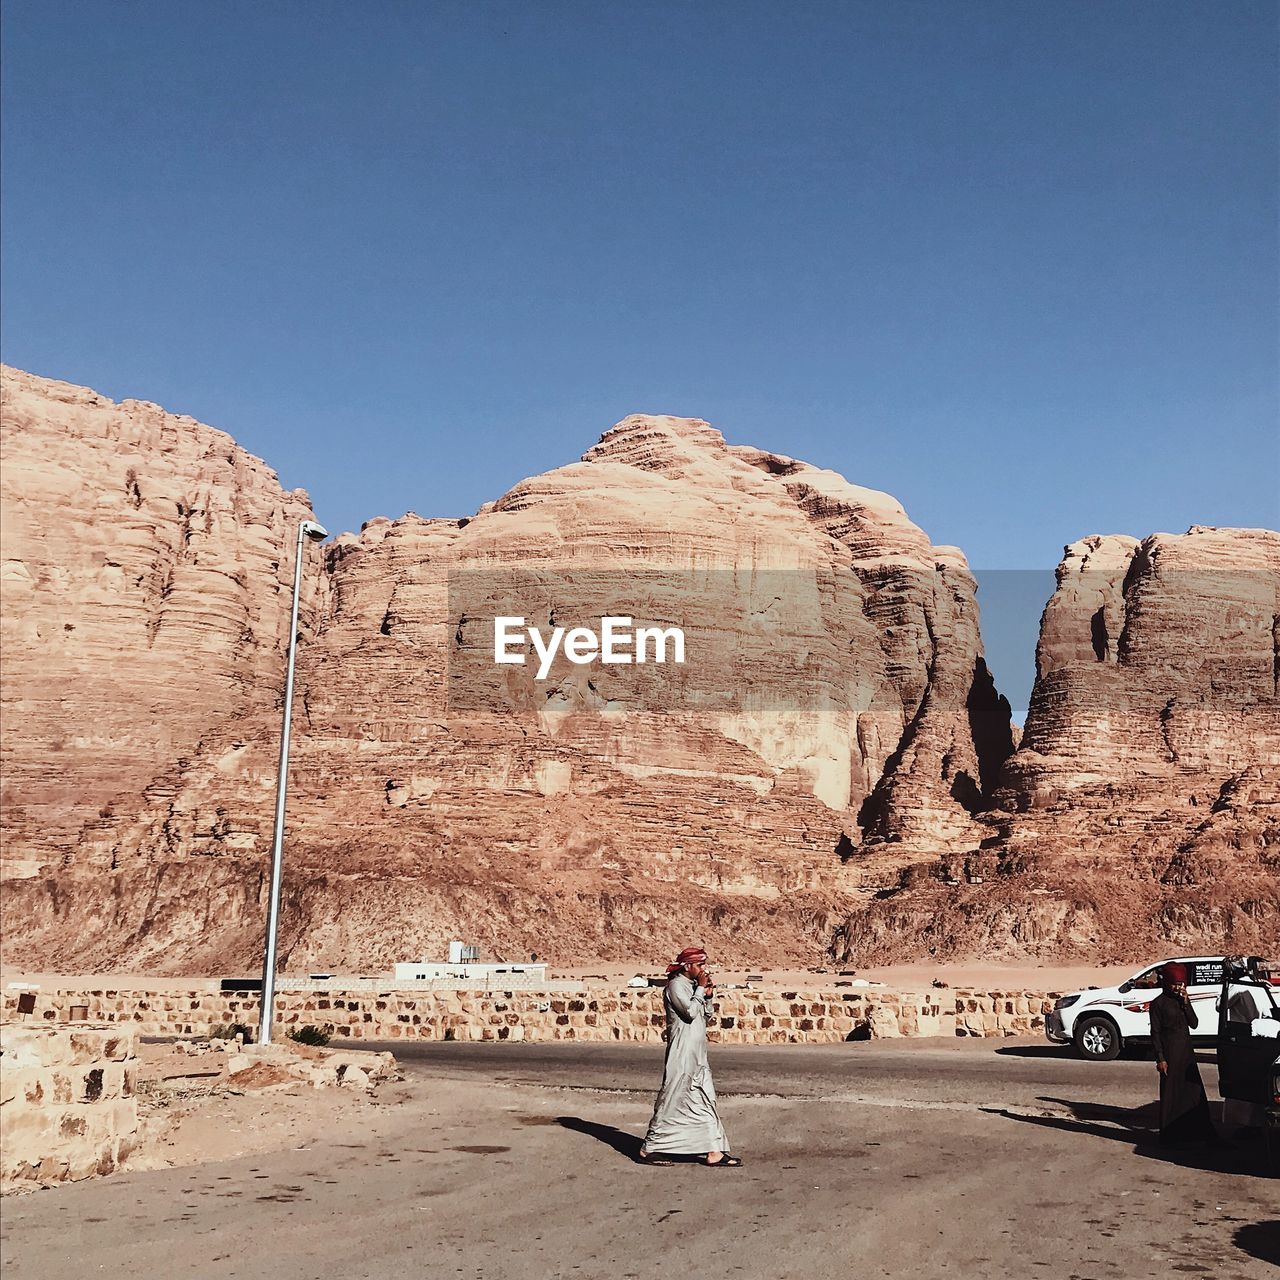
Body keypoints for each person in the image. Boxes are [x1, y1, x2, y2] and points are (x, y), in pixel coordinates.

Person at [638, 945, 742, 1168]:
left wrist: (708, 996)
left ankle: (714, 1150)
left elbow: (705, 1015)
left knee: (704, 1099)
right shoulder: (676, 986)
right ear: (688, 966)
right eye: (700, 965)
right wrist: (700, 990)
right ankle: (650, 1147)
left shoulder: (693, 987)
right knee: (673, 1098)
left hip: (697, 1054)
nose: (704, 969)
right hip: (682, 1053)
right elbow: (689, 1012)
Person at [1149, 961, 1216, 1146]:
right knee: (1172, 1094)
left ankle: (1196, 1132)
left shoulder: (1182, 1001)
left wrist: (1186, 1002)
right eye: (1175, 984)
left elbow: (1194, 1023)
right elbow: (1155, 1033)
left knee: (1192, 1092)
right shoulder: (1158, 1004)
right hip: (1170, 1054)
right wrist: (1160, 1058)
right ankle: (1171, 1137)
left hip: (1186, 1053)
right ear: (1167, 983)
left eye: (1181, 984)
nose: (1179, 988)